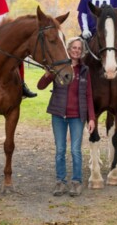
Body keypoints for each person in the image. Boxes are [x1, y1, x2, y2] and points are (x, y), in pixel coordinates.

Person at [37, 37, 96, 197]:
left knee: (76, 150)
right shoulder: (59, 67)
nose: (76, 50)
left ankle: (76, 182)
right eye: (73, 47)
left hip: (77, 116)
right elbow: (40, 86)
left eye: (79, 48)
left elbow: (89, 95)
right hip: (58, 115)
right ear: (68, 49)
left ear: (81, 51)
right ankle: (60, 182)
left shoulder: (85, 70)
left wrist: (92, 118)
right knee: (60, 150)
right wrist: (48, 74)